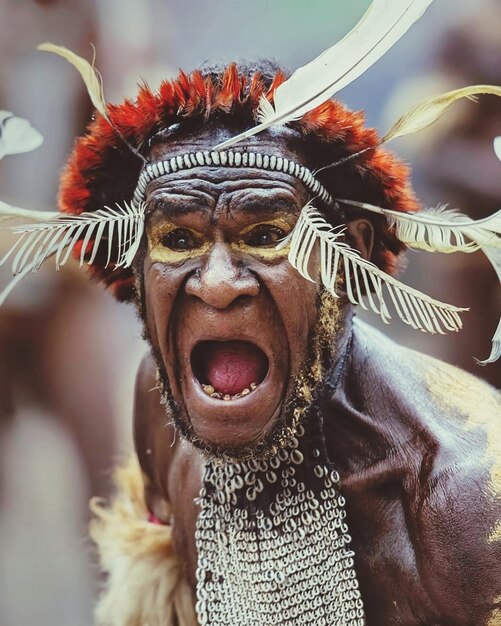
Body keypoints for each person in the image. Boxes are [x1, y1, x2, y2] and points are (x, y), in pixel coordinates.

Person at [1, 3, 500, 625]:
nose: (216, 285)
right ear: (134, 269)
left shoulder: (466, 508)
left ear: (352, 258)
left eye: (265, 233)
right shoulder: (160, 403)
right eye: (177, 240)